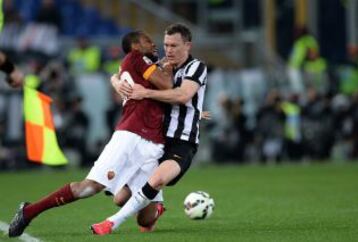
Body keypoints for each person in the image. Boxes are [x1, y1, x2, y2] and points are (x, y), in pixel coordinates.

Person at [8, 30, 174, 237]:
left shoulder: (146, 66)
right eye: (148, 41)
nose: (154, 44)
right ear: (135, 47)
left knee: (144, 219)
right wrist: (168, 68)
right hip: (131, 135)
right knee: (90, 187)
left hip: (154, 143)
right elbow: (168, 85)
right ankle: (29, 211)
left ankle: (151, 206)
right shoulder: (136, 58)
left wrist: (158, 69)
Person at [91, 23, 208, 235]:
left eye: (174, 45)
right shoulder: (161, 64)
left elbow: (182, 96)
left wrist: (146, 93)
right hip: (156, 142)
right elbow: (125, 70)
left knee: (157, 180)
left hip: (182, 142)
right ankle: (156, 208)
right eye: (166, 45)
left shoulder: (196, 68)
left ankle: (111, 223)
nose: (169, 49)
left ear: (187, 46)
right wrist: (115, 81)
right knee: (121, 200)